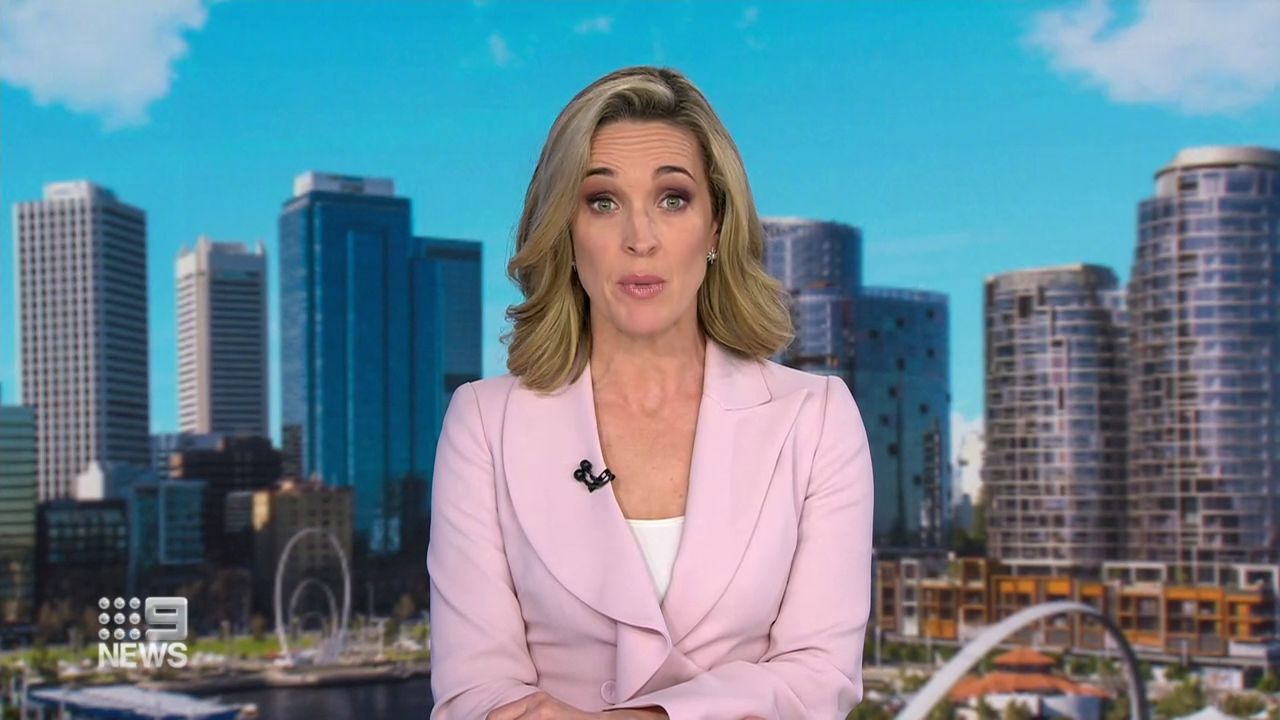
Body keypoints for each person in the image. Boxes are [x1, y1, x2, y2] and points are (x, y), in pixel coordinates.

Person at [427, 65, 874, 720]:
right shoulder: (483, 423)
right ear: (565, 232)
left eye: (673, 199)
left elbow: (818, 678)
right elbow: (473, 691)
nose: (640, 239)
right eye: (602, 202)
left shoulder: (815, 420)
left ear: (716, 226)